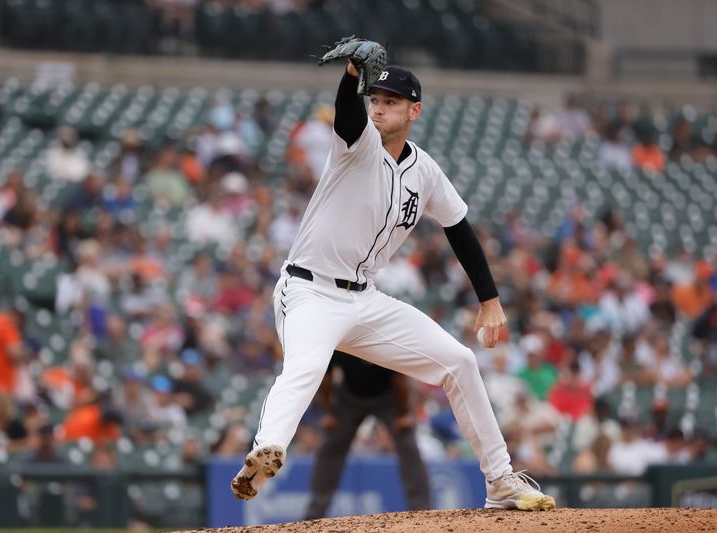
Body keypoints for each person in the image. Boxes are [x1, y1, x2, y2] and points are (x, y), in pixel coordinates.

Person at [230, 54, 556, 511]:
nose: (378, 108)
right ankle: (267, 450)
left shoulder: (424, 170)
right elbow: (346, 113)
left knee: (459, 361)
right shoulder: (356, 144)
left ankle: (501, 480)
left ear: (414, 111)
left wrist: (489, 299)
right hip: (309, 290)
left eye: (390, 101)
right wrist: (349, 78)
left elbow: (458, 227)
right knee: (306, 367)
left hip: (365, 299)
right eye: (375, 99)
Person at [304, 351, 430, 519]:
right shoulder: (341, 340)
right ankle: (314, 516)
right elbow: (326, 379)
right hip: (350, 398)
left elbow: (399, 379)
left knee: (408, 446)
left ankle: (421, 511)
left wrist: (404, 413)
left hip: (389, 397)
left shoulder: (380, 337)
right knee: (329, 448)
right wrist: (329, 413)